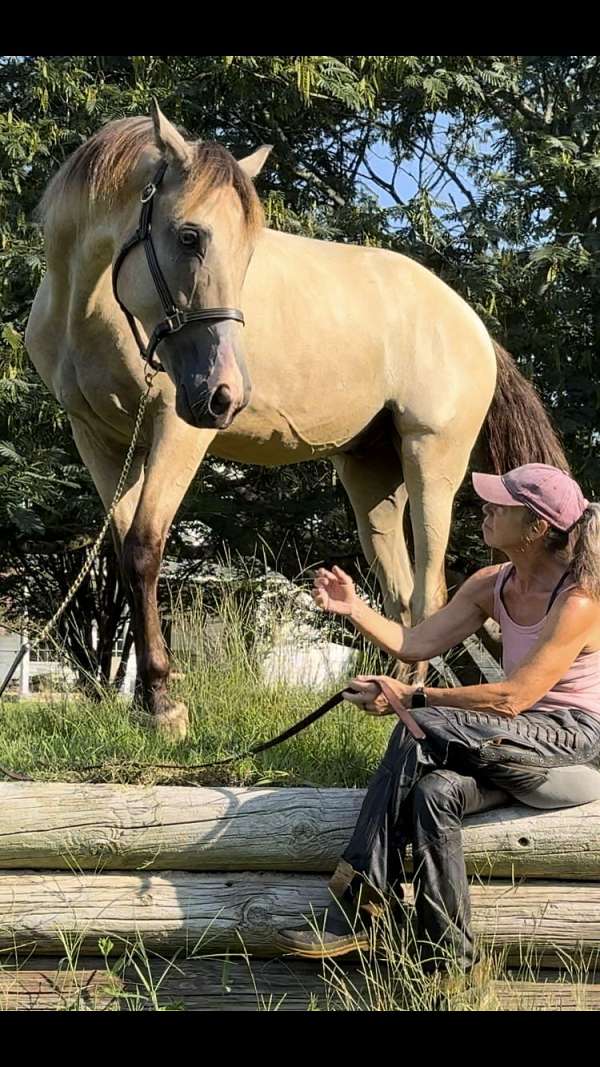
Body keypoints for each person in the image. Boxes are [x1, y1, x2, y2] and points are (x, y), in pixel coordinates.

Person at [277, 464, 600, 975]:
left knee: (422, 729)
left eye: (501, 504)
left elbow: (514, 697)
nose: (486, 509)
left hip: (571, 743)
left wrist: (414, 697)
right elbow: (416, 643)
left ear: (537, 527)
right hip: (506, 740)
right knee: (434, 794)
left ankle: (361, 900)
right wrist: (354, 609)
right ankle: (450, 963)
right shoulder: (492, 582)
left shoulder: (579, 599)